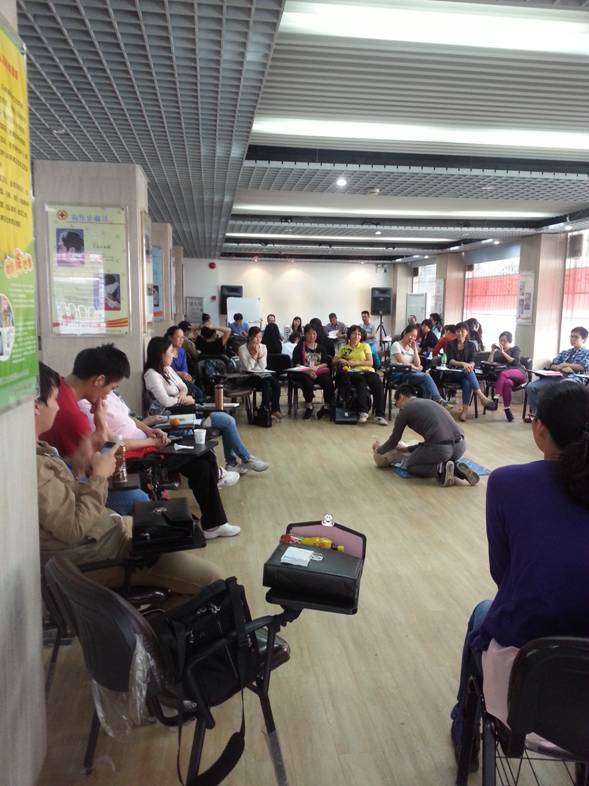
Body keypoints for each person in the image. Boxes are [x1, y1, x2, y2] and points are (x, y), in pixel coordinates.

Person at [450, 382, 589, 768]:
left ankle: (464, 726)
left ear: (539, 428)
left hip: (526, 681)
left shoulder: (508, 482)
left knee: (482, 613)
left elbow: (503, 575)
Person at [35, 361, 223, 598]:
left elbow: (71, 489)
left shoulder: (41, 450)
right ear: (36, 406)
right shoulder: (37, 465)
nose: (57, 406)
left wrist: (92, 447)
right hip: (103, 553)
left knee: (178, 533)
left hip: (110, 533)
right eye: (54, 400)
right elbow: (73, 528)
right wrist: (99, 477)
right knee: (215, 581)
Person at [39, 344, 149, 515]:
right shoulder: (73, 416)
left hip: (63, 478)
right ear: (99, 380)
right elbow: (95, 470)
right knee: (138, 499)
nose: (108, 395)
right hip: (67, 496)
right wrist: (101, 424)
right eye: (111, 388)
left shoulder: (59, 383)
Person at [144, 336, 269, 476]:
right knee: (227, 421)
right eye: (170, 351)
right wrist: (185, 400)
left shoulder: (167, 369)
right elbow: (166, 402)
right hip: (175, 421)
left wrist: (183, 395)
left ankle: (236, 462)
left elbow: (183, 386)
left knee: (228, 420)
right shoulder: (152, 375)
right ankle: (240, 461)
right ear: (160, 354)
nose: (173, 355)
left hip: (187, 412)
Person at [372, 385, 478, 486]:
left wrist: (379, 450)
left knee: (412, 466)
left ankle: (443, 469)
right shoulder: (431, 402)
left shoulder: (405, 411)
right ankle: (455, 468)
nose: (398, 406)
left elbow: (393, 441)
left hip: (441, 449)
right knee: (437, 451)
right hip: (460, 446)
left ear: (401, 397)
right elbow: (430, 441)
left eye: (396, 403)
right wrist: (407, 449)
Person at [525, 326, 589, 422]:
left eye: (576, 337)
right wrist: (560, 367)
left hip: (574, 378)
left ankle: (558, 419)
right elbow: (553, 364)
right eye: (571, 336)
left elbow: (583, 366)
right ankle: (541, 415)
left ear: (584, 340)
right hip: (556, 376)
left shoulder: (586, 353)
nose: (572, 339)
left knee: (562, 387)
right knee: (531, 387)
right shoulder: (565, 352)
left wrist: (566, 365)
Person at [335, 325, 387, 425]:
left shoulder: (365, 346)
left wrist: (354, 363)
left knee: (378, 384)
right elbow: (334, 361)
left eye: (359, 334)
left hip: (368, 371)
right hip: (353, 373)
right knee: (361, 383)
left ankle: (380, 415)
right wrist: (340, 359)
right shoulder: (344, 348)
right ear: (349, 335)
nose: (357, 336)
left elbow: (370, 362)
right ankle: (363, 412)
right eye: (354, 333)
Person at [390, 326, 452, 408]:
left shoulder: (411, 349)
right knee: (425, 376)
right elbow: (403, 363)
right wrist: (416, 368)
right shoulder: (396, 345)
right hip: (398, 375)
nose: (412, 338)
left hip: (410, 374)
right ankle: (438, 399)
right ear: (405, 333)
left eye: (415, 337)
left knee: (424, 385)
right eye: (411, 335)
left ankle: (425, 408)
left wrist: (415, 349)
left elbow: (418, 363)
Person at [446, 322, 496, 421]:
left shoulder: (471, 345)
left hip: (466, 373)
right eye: (458, 331)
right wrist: (463, 364)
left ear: (467, 332)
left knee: (467, 381)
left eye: (462, 331)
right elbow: (450, 360)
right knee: (468, 373)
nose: (460, 333)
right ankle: (481, 396)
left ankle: (464, 411)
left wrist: (470, 366)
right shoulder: (450, 344)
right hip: (453, 373)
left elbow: (473, 361)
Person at [238, 326, 282, 420]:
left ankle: (273, 409)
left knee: (276, 383)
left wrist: (260, 354)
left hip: (261, 374)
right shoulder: (242, 349)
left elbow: (263, 366)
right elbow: (248, 367)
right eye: (256, 337)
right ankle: (265, 410)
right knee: (266, 384)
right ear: (250, 337)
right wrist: (254, 354)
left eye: (260, 337)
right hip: (248, 375)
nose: (258, 339)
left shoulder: (263, 347)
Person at [291, 323, 335, 419]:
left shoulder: (321, 348)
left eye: (314, 333)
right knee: (307, 381)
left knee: (328, 381)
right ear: (305, 334)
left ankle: (326, 406)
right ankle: (309, 406)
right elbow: (297, 364)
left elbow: (325, 363)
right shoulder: (299, 347)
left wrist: (316, 368)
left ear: (317, 334)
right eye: (309, 334)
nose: (312, 336)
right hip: (304, 372)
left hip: (318, 372)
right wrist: (308, 371)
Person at [486, 331, 528, 422]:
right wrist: (492, 351)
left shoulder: (515, 349)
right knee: (507, 383)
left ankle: (496, 399)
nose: (502, 343)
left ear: (509, 341)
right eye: (500, 340)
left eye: (504, 341)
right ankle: (507, 409)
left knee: (503, 373)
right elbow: (489, 363)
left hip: (519, 373)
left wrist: (503, 353)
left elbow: (515, 362)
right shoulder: (498, 353)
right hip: (508, 378)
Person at [165, 324, 203, 400]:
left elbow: (184, 370)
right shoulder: (165, 352)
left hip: (180, 381)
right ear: (170, 337)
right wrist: (179, 373)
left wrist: (185, 375)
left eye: (182, 337)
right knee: (197, 395)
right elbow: (163, 371)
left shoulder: (182, 351)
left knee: (198, 394)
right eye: (178, 337)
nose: (181, 340)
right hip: (168, 381)